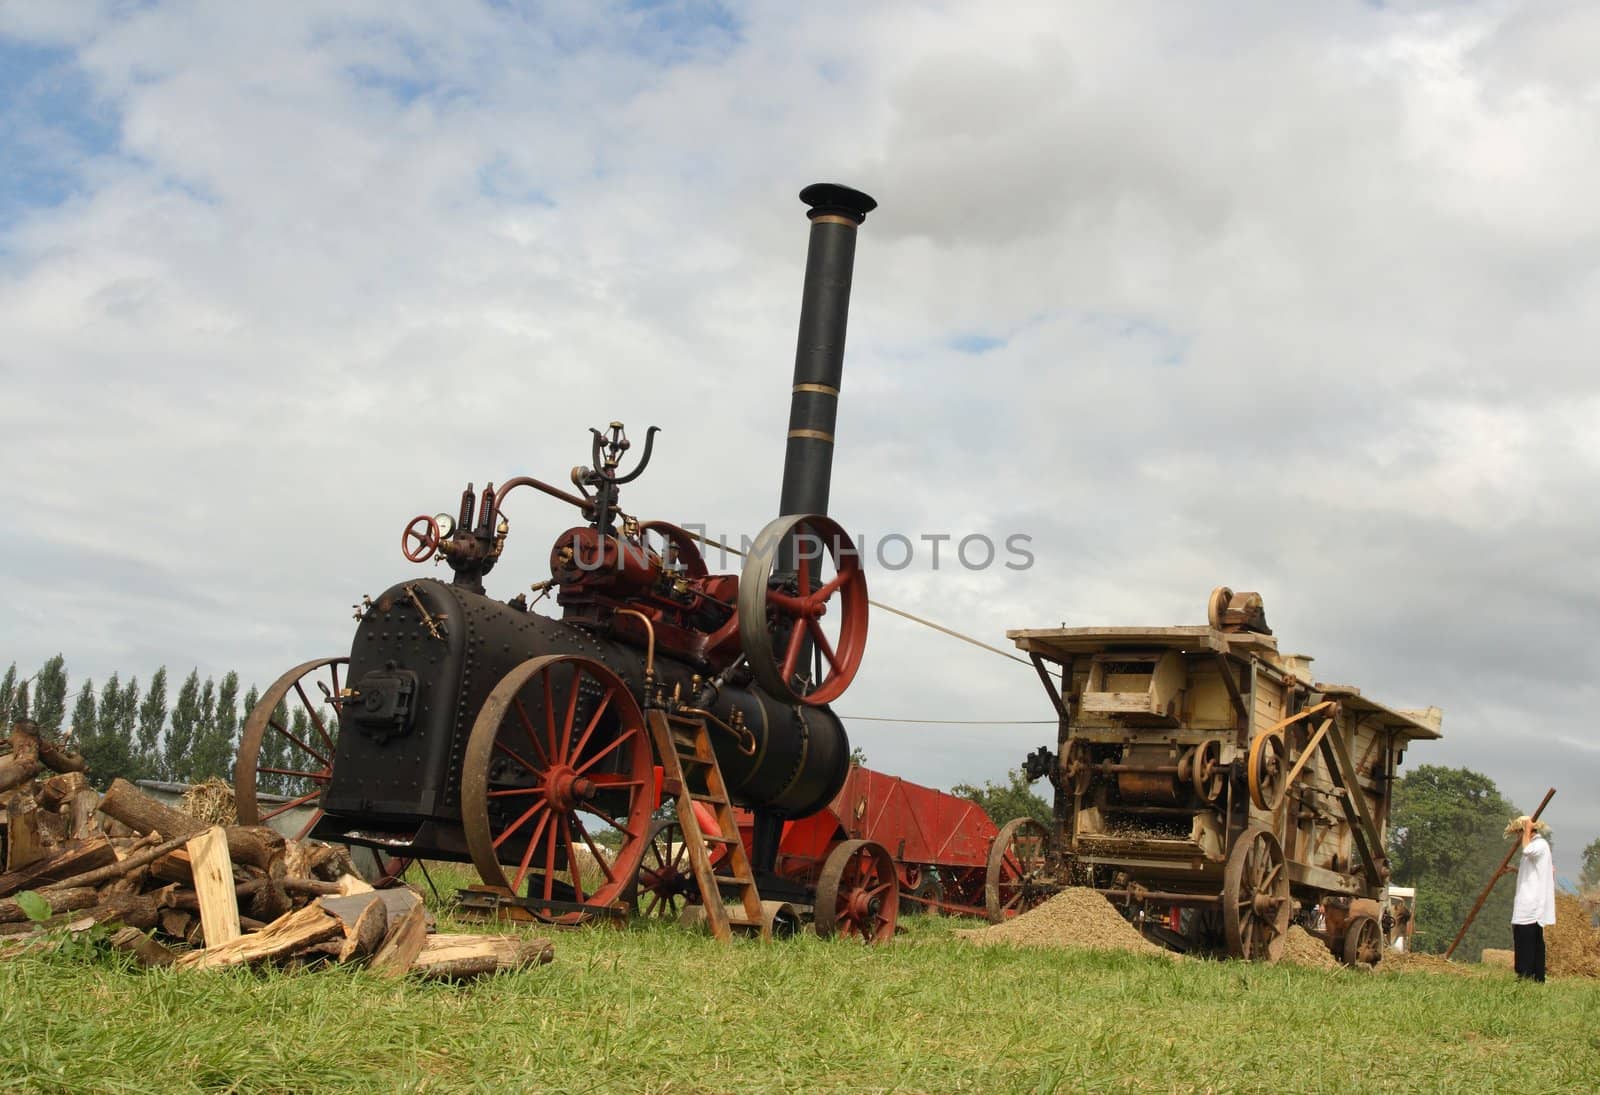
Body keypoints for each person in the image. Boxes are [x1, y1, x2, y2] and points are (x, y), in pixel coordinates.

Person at [1505, 814, 1556, 982]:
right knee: (1521, 937)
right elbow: (1534, 872)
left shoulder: (1539, 845)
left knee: (1529, 939)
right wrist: (1515, 870)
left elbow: (1526, 850)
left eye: (1519, 833)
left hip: (1532, 902)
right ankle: (1527, 974)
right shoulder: (1534, 846)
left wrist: (1527, 830)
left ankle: (1529, 975)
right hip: (1525, 900)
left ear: (1524, 831)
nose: (1518, 837)